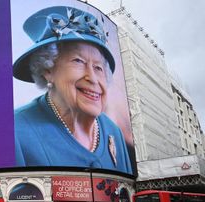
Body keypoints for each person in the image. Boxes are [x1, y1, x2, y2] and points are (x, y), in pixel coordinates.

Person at [13, 6, 132, 174]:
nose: (92, 77)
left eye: (98, 67)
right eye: (78, 61)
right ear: (48, 70)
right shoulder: (17, 131)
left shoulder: (114, 132)